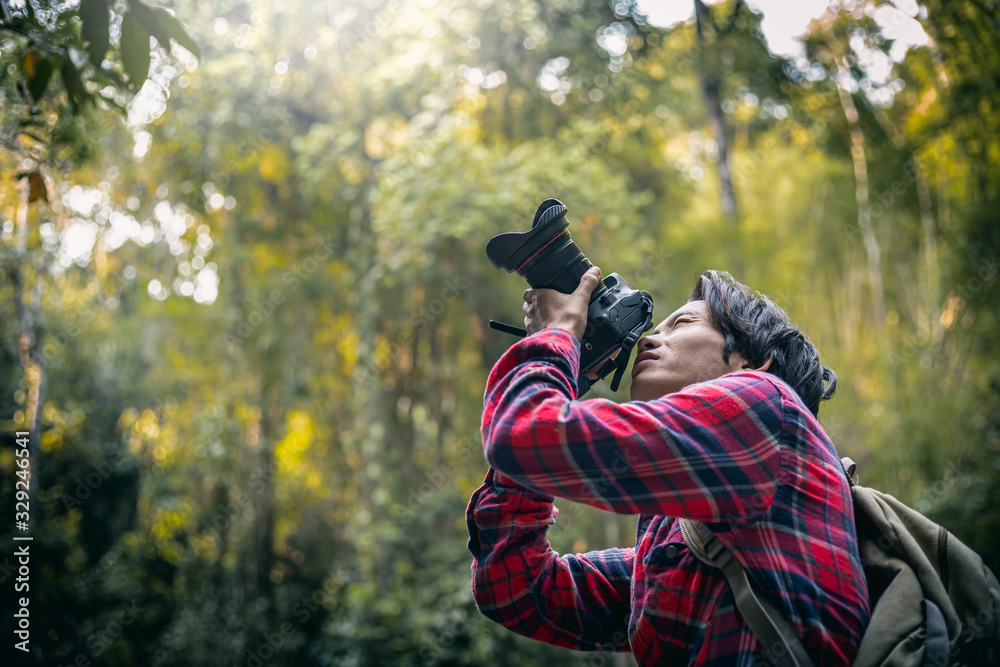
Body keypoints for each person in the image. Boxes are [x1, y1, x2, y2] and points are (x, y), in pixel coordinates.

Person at [465, 267, 871, 665]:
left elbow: (520, 433)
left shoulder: (765, 403)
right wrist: (566, 374)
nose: (647, 338)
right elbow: (516, 589)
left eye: (681, 322)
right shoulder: (676, 542)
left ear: (753, 361)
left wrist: (559, 333)